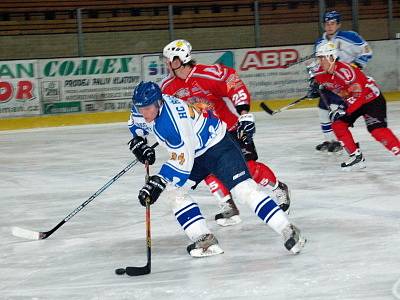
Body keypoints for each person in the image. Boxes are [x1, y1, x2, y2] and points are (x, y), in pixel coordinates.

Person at [127, 81, 306, 257]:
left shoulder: (173, 122)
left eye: (148, 108)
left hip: (217, 145)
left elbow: (183, 162)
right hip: (195, 152)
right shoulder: (141, 110)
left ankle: (288, 230)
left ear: (159, 103)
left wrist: (160, 180)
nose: (145, 113)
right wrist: (138, 141)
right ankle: (204, 239)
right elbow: (135, 125)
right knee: (174, 192)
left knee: (244, 190)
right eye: (141, 108)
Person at [160, 39, 291, 227]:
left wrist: (244, 113)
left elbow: (234, 84)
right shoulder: (168, 87)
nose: (166, 63)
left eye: (169, 59)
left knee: (248, 169)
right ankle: (228, 205)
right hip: (203, 138)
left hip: (230, 129)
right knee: (210, 170)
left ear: (179, 60)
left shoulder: (209, 74)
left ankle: (278, 187)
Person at [312, 42, 400, 169]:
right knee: (337, 124)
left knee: (377, 131)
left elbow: (358, 95)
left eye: (322, 58)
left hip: (371, 99)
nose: (320, 61)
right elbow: (327, 90)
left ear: (332, 57)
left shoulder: (345, 71)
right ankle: (356, 156)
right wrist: (316, 90)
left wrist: (343, 109)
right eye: (318, 58)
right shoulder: (320, 73)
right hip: (353, 101)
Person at [307, 10, 373, 153]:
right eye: (327, 23)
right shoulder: (320, 42)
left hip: (346, 83)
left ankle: (342, 141)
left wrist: (356, 65)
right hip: (329, 82)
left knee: (338, 111)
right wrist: (315, 79)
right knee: (323, 110)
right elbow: (318, 63)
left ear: (339, 24)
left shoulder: (350, 37)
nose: (329, 26)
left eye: (333, 23)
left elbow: (367, 51)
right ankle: (330, 140)